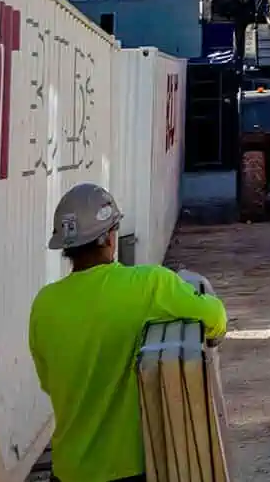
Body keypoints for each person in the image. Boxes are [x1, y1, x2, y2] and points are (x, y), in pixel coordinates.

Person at [30, 183, 230, 482]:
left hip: (68, 471)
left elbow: (49, 383)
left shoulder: (43, 305)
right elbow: (216, 318)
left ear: (66, 248)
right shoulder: (149, 285)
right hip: (131, 470)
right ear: (109, 238)